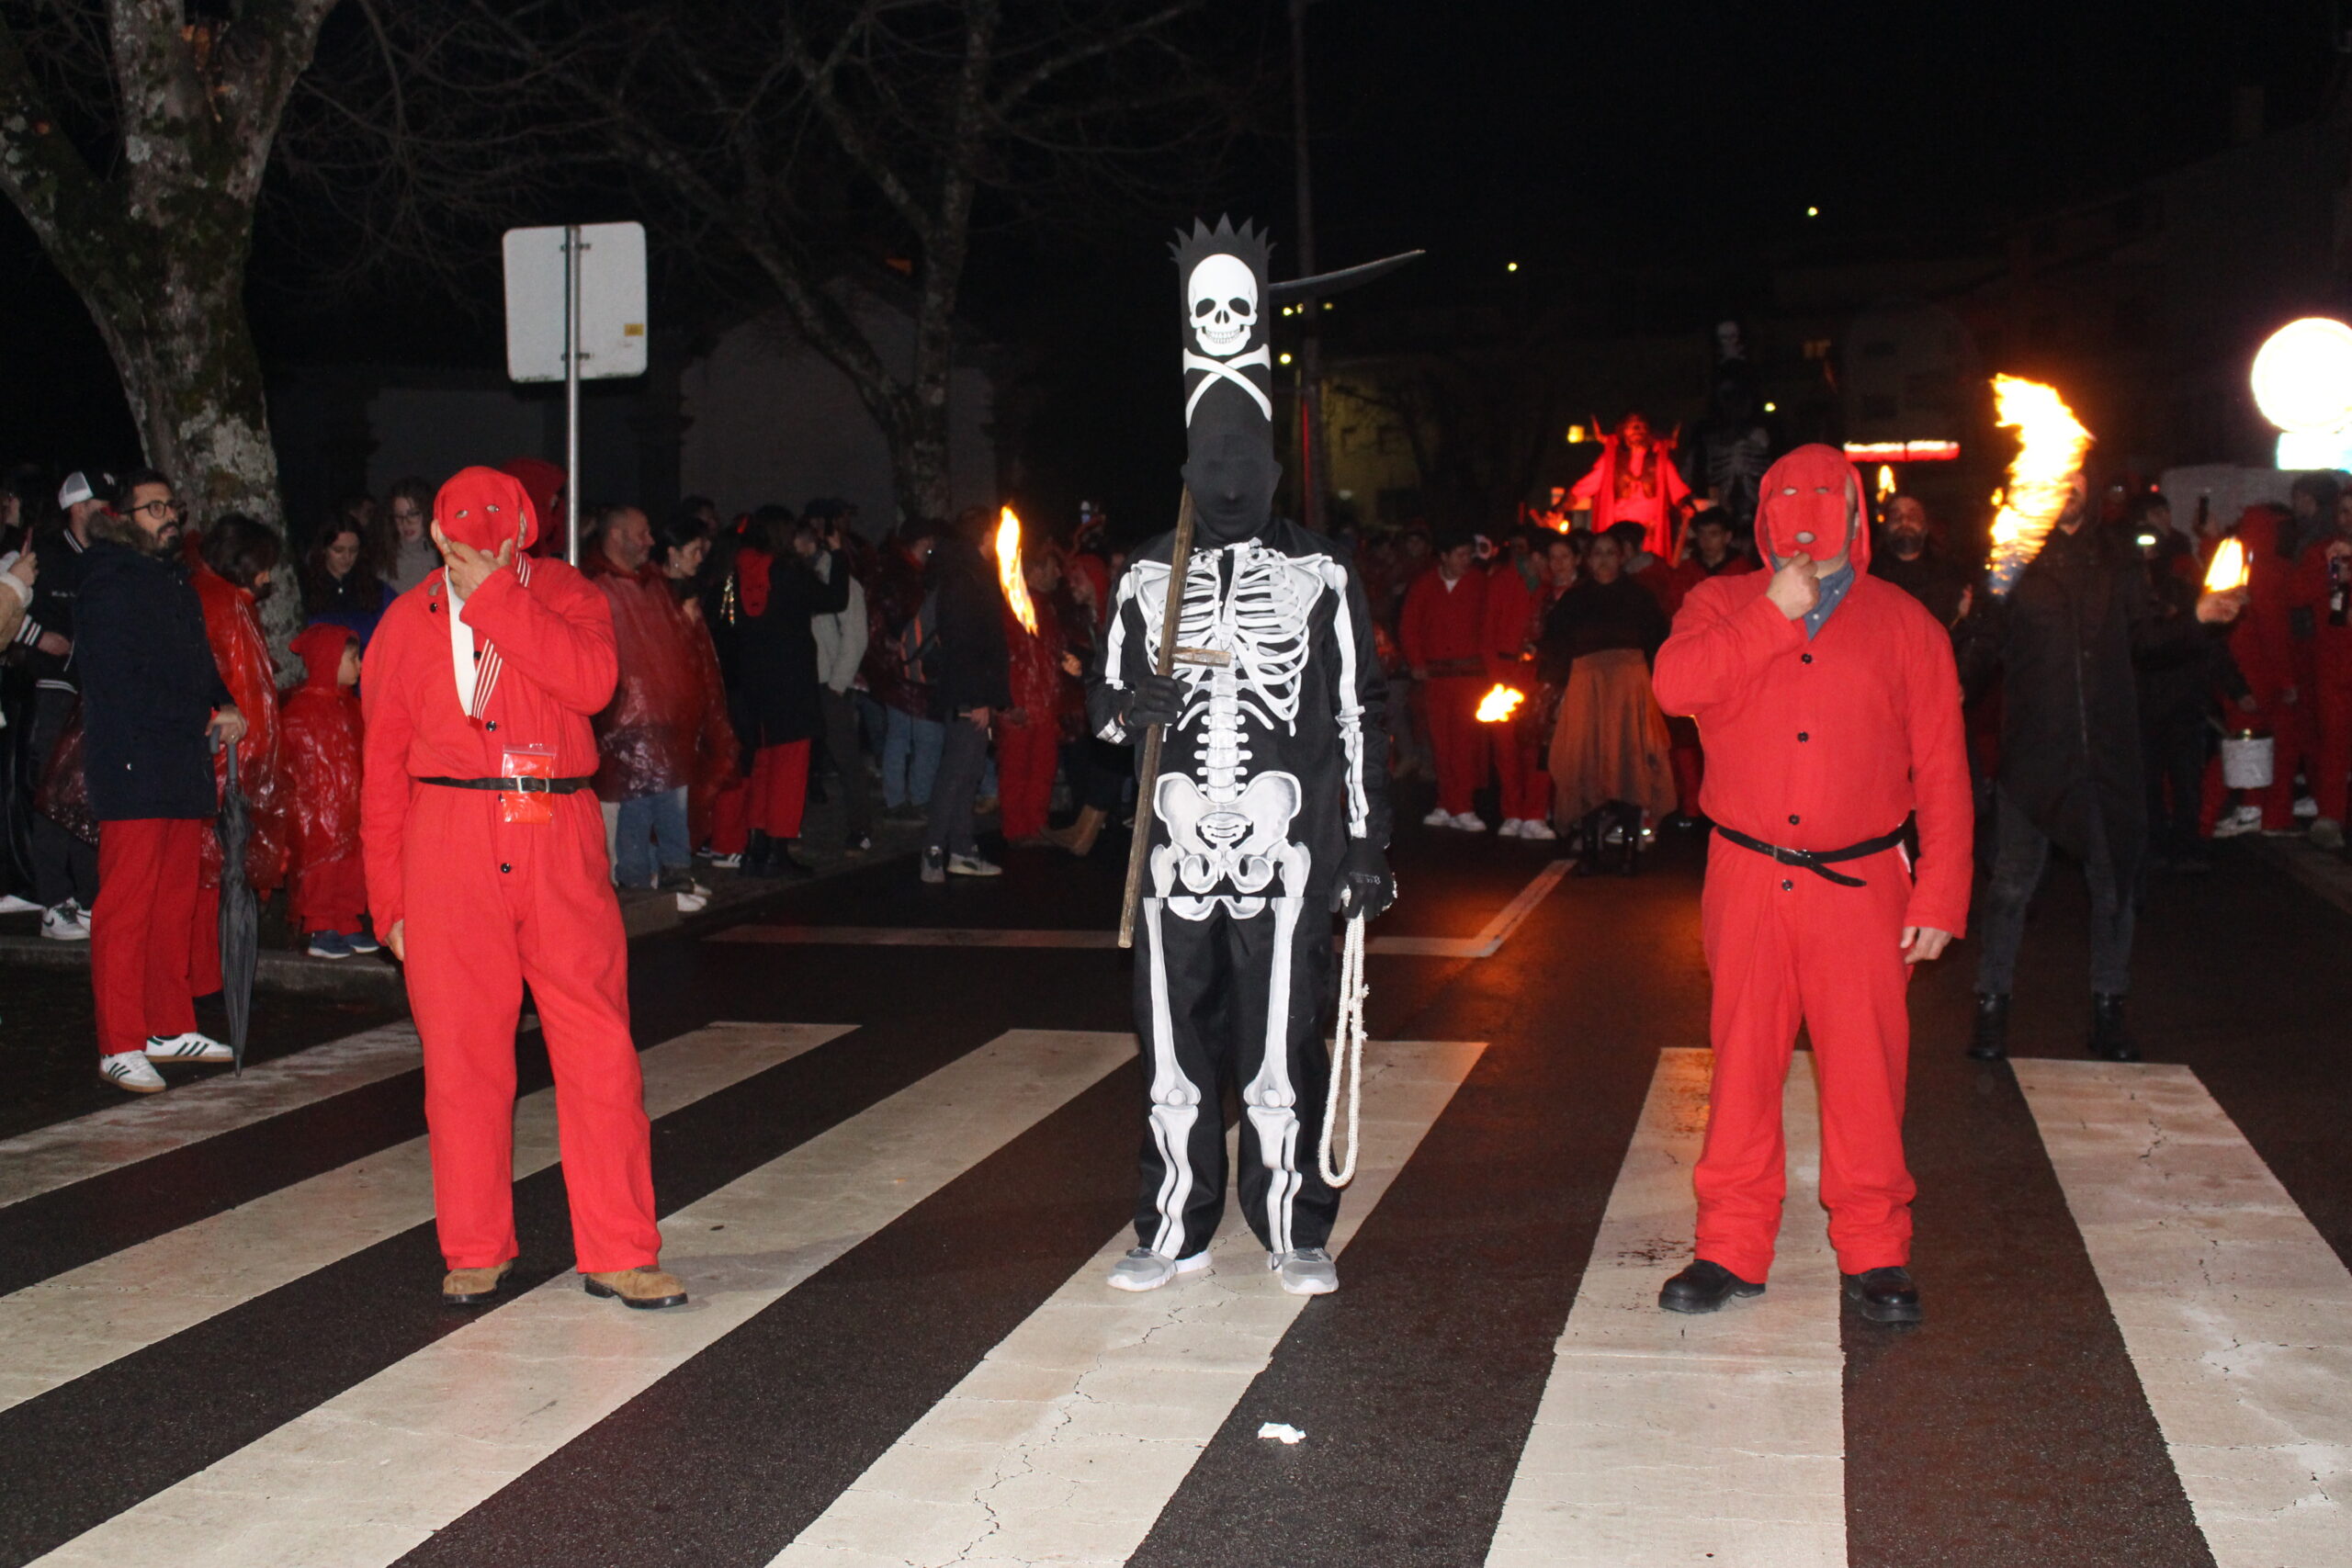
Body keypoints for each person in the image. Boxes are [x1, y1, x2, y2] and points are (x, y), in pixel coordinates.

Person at [1089, 216, 1395, 1299]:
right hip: (1176, 852)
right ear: (1187, 471)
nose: (1227, 480)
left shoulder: (1320, 577)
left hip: (1288, 849)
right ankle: (1170, 1223)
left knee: (1283, 1050)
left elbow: (1358, 709)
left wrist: (1366, 839)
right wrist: (1138, 702)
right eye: (1209, 464)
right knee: (1171, 1055)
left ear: (1269, 469)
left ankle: (1292, 1222)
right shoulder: (1141, 578)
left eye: (1243, 463)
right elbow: (1105, 715)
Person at [1650, 444, 1972, 1325]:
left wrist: (1942, 893)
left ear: (1855, 509)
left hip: (1863, 882)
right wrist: (1771, 611)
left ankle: (1875, 1249)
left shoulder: (1907, 624)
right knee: (1744, 1062)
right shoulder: (1719, 602)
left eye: (1823, 494)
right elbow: (1676, 686)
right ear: (1761, 510)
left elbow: (1944, 768)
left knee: (1867, 1069)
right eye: (1785, 493)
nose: (1804, 506)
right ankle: (1730, 1244)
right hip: (1747, 871)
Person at [361, 464, 683, 1309]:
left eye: (498, 538)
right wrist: (387, 899)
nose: (480, 551)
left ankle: (619, 1246)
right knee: (461, 1057)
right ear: (436, 536)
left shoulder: (568, 595)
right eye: (464, 540)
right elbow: (382, 767)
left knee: (599, 1046)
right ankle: (474, 1241)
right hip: (446, 844)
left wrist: (503, 597)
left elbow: (591, 684)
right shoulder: (405, 621)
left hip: (556, 831)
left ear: (524, 535)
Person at [1962, 476, 2244, 1064]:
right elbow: (1982, 649)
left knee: (2113, 888)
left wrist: (2198, 617)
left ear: (2087, 490)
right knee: (2011, 887)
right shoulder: (2012, 558)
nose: (2064, 488)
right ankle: (1991, 1010)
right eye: (2053, 477)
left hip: (2109, 757)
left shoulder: (2115, 561)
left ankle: (2109, 1012)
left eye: (2074, 479)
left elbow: (2145, 640)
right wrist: (1941, 670)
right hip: (2035, 758)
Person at [78, 469, 246, 1094]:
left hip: (177, 760)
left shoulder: (170, 578)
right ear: (122, 518)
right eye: (153, 508)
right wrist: (204, 713)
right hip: (133, 763)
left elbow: (194, 662)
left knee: (173, 899)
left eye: (172, 505)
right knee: (127, 907)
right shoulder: (109, 580)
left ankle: (167, 1025)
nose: (169, 516)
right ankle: (119, 1040)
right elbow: (121, 681)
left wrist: (223, 702)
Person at [193, 514, 292, 987]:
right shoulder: (226, 605)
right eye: (263, 566)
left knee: (210, 875)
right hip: (226, 756)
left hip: (219, 753)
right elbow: (243, 688)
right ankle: (211, 976)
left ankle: (209, 974)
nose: (268, 578)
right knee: (214, 873)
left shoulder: (213, 597)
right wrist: (252, 755)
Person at [1542, 527, 1675, 874]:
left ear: (1622, 558)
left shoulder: (1641, 597)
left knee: (1631, 764)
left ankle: (1630, 851)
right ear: (1588, 559)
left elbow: (1659, 644)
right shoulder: (1574, 599)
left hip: (1630, 693)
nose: (1603, 559)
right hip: (1587, 692)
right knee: (1587, 766)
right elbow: (1554, 645)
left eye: (1610, 553)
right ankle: (1589, 850)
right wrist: (1554, 689)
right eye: (1597, 553)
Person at [584, 504, 701, 892]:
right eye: (643, 533)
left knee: (668, 794)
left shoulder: (649, 586)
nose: (651, 541)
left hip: (663, 717)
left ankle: (673, 869)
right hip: (628, 721)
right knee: (634, 797)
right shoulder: (601, 588)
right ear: (617, 536)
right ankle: (637, 879)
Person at [731, 506, 852, 878]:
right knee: (789, 771)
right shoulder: (788, 573)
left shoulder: (735, 572)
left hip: (752, 687)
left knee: (762, 768)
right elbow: (835, 599)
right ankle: (778, 849)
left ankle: (756, 847)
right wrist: (838, 554)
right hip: (791, 686)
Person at [16, 471, 104, 939]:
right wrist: (38, 638)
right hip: (53, 688)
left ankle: (89, 898)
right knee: (53, 791)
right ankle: (54, 902)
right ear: (76, 506)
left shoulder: (106, 559)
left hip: (96, 693)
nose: (107, 510)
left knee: (87, 793)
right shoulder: (46, 555)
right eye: (98, 503)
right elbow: (9, 604)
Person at [917, 506, 1012, 882]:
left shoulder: (969, 573)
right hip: (965, 694)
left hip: (968, 691)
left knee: (968, 771)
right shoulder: (964, 578)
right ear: (985, 536)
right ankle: (934, 852)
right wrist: (977, 699)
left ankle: (961, 849)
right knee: (956, 772)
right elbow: (964, 644)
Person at [652, 508, 741, 861]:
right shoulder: (657, 593)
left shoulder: (690, 591)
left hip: (688, 707)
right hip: (666, 709)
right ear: (673, 552)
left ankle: (678, 861)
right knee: (666, 793)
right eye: (694, 552)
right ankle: (665, 866)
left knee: (688, 788)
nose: (700, 560)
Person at [281, 624, 370, 957]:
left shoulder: (352, 707)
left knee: (351, 864)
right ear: (328, 659)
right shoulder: (300, 711)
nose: (359, 665)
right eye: (352, 658)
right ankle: (320, 924)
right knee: (322, 867)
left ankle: (345, 918)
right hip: (316, 812)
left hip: (350, 807)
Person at [1399, 531, 1490, 830]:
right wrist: (1417, 663)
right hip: (1436, 678)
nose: (1467, 560)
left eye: (1469, 554)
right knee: (1440, 744)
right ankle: (1445, 802)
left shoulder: (1479, 583)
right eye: (1461, 554)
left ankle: (1462, 805)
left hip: (1468, 677)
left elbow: (1489, 624)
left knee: (1464, 743)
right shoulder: (1425, 584)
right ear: (1445, 556)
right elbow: (1409, 625)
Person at [864, 523, 944, 819]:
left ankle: (897, 797)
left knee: (901, 735)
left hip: (897, 668)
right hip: (908, 669)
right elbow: (900, 621)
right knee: (926, 736)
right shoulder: (903, 576)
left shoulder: (898, 571)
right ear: (922, 541)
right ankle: (917, 798)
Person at [808, 504, 875, 856]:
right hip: (809, 681)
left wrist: (838, 682)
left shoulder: (844, 582)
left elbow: (855, 636)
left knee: (846, 758)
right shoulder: (804, 577)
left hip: (830, 682)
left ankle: (860, 827)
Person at [1000, 541, 1076, 846]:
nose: (1058, 573)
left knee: (1043, 767)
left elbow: (1050, 654)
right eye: (1051, 566)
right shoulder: (1013, 607)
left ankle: (1036, 825)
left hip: (1044, 704)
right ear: (1033, 571)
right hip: (1021, 705)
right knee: (1016, 769)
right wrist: (1010, 703)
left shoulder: (1047, 607)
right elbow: (1004, 657)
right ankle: (1017, 829)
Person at [1483, 530, 1555, 840]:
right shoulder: (1501, 581)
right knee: (1506, 746)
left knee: (1537, 747)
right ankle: (1512, 812)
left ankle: (1535, 813)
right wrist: (1498, 676)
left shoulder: (1552, 588)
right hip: (1505, 671)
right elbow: (1487, 634)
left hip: (1539, 675)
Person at [2292, 490, 2352, 851]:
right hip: (2333, 666)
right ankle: (2329, 816)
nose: (2348, 518)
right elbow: (2297, 595)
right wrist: (2330, 570)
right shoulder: (2322, 552)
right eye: (2344, 511)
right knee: (2333, 740)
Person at [1569, 411, 1691, 559]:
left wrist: (1685, 506)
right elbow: (1586, 485)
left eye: (1641, 426)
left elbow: (1676, 488)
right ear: (1623, 430)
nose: (1637, 430)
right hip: (1619, 531)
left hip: (1649, 532)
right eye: (1632, 426)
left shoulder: (1660, 460)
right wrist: (1560, 507)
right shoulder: (1611, 460)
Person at [1870, 492, 1972, 629]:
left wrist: (1964, 616)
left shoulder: (1950, 574)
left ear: (1925, 525)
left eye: (1913, 515)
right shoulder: (1869, 576)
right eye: (1896, 516)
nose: (1904, 522)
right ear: (1886, 526)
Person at [303, 513, 393, 647]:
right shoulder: (307, 590)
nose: (347, 557)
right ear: (323, 549)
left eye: (353, 550)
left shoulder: (375, 589)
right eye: (338, 550)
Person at [378, 477, 439, 594]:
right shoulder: (383, 558)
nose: (406, 523)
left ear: (427, 513)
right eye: (399, 516)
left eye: (413, 514)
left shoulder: (442, 555)